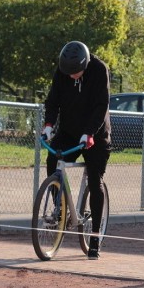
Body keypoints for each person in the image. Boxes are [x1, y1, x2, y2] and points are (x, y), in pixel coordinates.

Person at [42, 41, 112, 260]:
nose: (71, 76)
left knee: (94, 179)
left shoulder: (99, 70)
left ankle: (94, 237)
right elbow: (53, 101)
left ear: (85, 63)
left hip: (96, 134)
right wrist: (48, 126)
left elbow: (102, 105)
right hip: (70, 131)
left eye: (76, 72)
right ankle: (60, 209)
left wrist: (90, 133)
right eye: (68, 72)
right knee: (53, 161)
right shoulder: (63, 71)